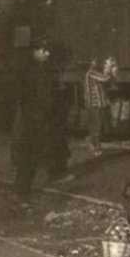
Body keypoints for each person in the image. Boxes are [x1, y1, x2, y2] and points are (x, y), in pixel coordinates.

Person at [11, 36, 71, 196]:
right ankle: (22, 193)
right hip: (33, 120)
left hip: (39, 118)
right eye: (44, 50)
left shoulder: (38, 68)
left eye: (48, 50)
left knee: (38, 153)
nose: (48, 53)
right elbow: (30, 97)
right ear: (35, 51)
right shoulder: (31, 70)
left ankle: (27, 188)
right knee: (29, 156)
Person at [84, 55, 117, 156]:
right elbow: (104, 78)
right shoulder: (91, 73)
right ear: (91, 63)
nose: (96, 63)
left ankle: (92, 144)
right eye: (94, 61)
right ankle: (95, 148)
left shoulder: (94, 72)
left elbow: (107, 83)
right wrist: (110, 69)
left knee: (97, 126)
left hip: (98, 104)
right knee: (96, 126)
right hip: (94, 104)